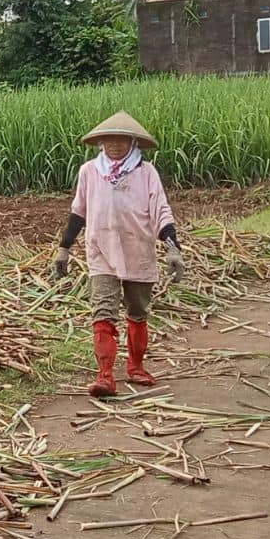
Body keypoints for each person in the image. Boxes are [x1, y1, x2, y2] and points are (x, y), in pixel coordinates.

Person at [53, 111, 185, 397]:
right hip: (101, 252)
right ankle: (105, 376)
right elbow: (79, 212)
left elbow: (161, 212)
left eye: (121, 140)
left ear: (133, 142)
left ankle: (136, 366)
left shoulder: (146, 173)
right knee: (103, 312)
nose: (114, 145)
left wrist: (173, 249)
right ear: (100, 143)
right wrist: (64, 249)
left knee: (137, 312)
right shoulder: (90, 171)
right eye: (109, 140)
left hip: (138, 251)